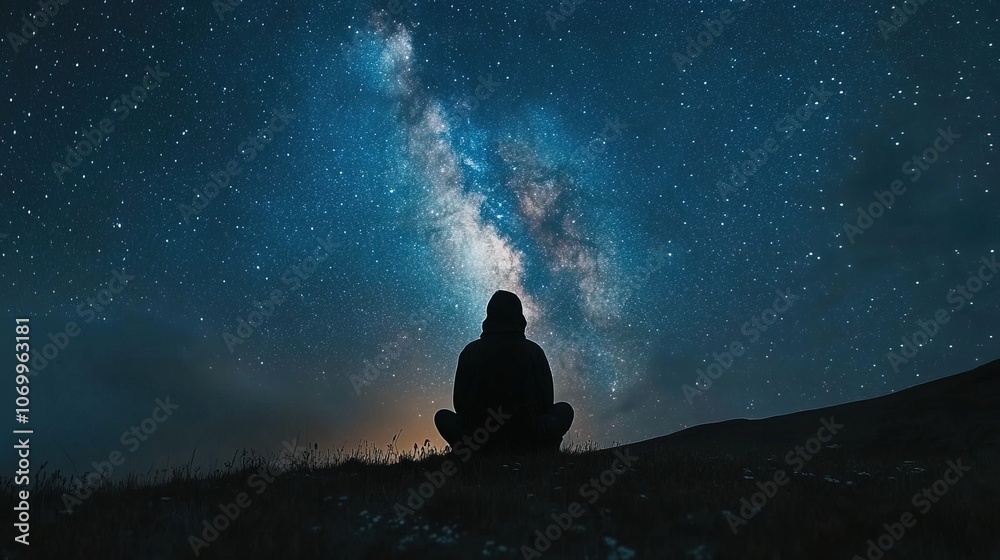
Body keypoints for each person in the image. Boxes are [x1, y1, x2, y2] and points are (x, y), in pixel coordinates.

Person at [434, 290, 574, 454]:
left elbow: (459, 404)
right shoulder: (533, 351)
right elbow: (546, 401)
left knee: (442, 417)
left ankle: (473, 453)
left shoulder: (470, 352)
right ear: (519, 316)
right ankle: (542, 449)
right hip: (529, 436)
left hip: (480, 438)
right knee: (564, 410)